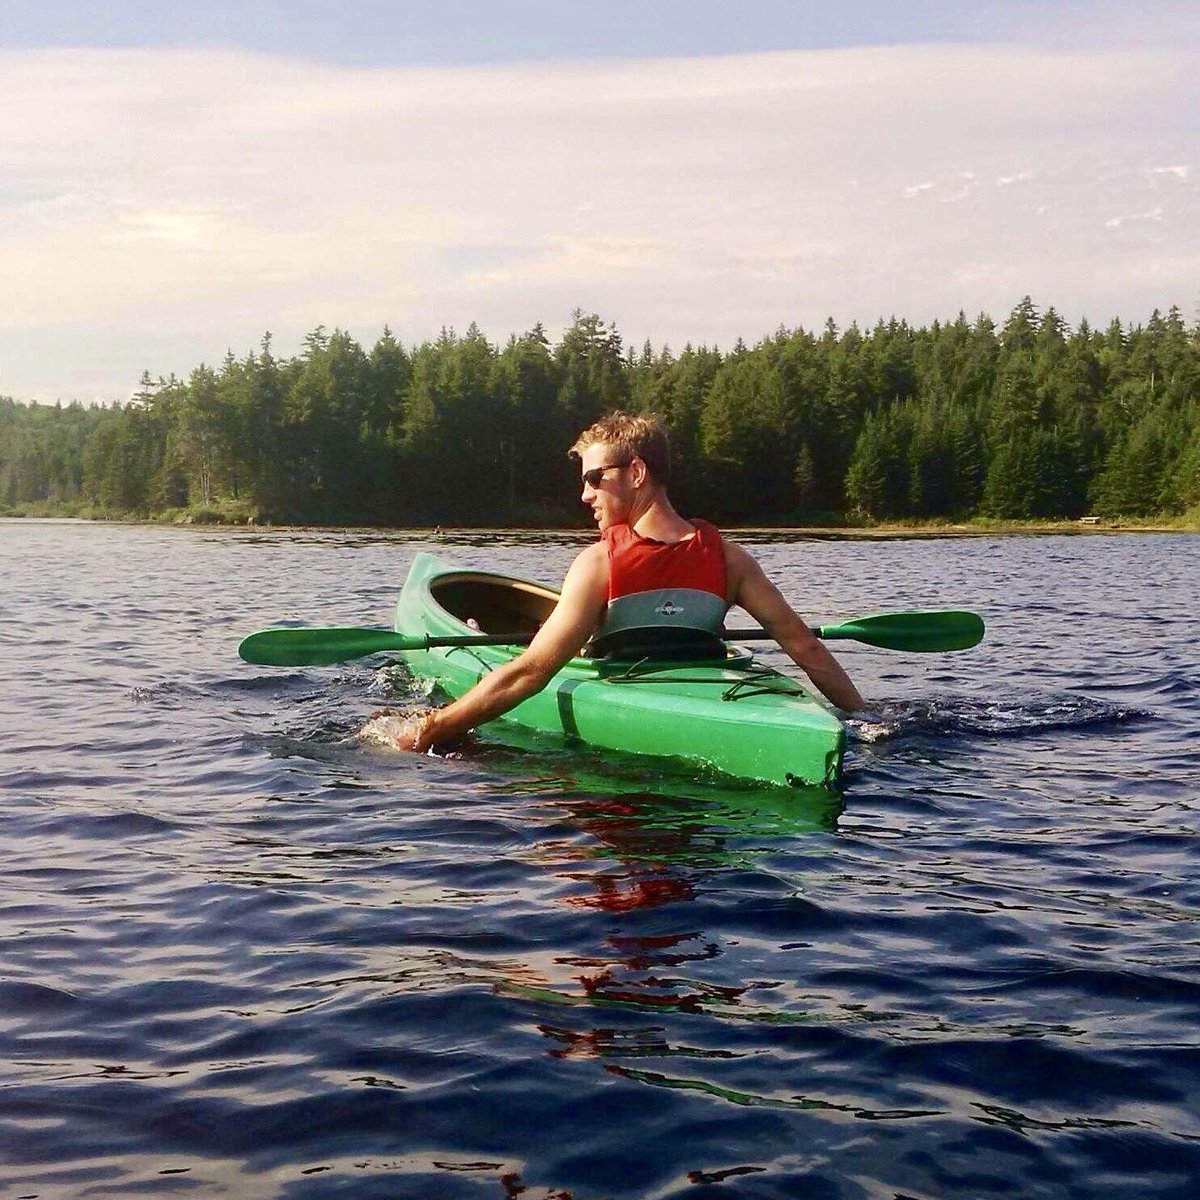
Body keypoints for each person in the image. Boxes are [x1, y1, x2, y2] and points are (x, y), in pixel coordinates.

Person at [388, 411, 864, 752]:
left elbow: (533, 672)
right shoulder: (731, 559)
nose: (584, 494)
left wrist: (433, 727)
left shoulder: (599, 565)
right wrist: (862, 721)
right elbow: (806, 649)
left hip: (631, 693)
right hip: (710, 686)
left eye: (595, 478)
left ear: (636, 472)